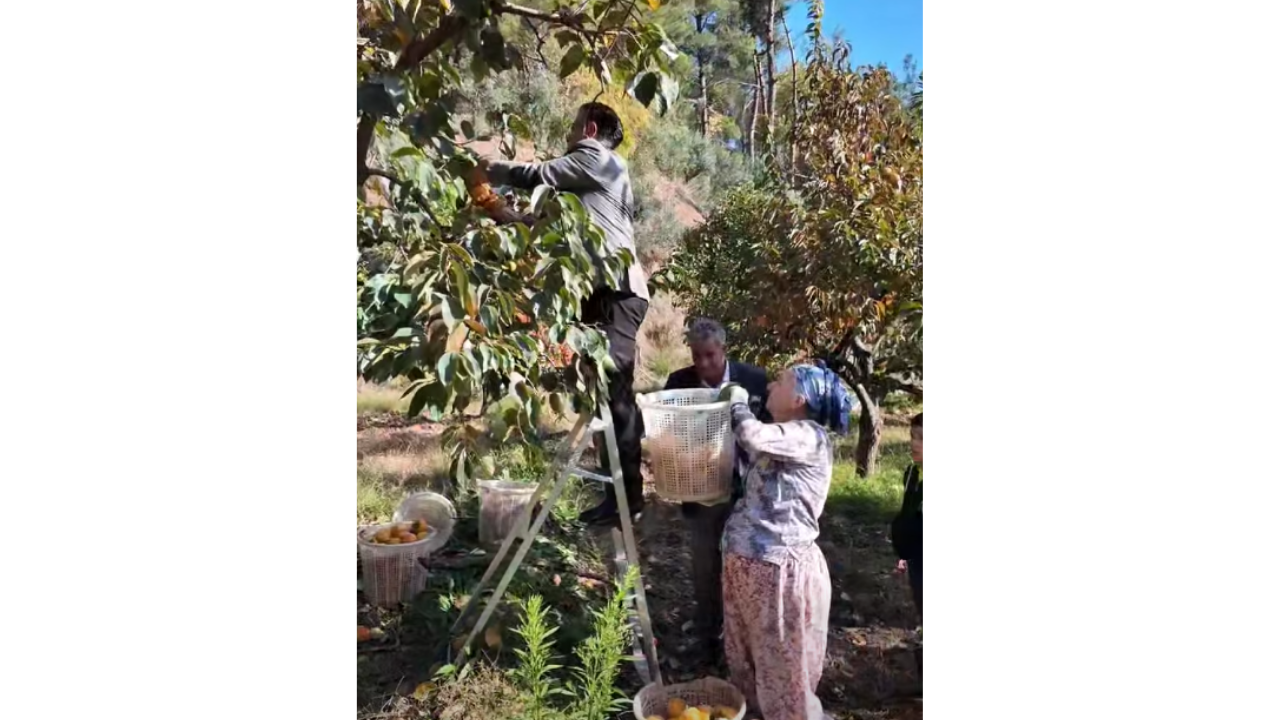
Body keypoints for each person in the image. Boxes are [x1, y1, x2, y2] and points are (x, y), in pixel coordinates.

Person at [481, 102, 649, 526]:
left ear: (590, 129)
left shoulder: (597, 158)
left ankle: (628, 500)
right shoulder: (585, 188)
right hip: (600, 293)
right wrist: (502, 215)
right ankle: (616, 496)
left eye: (574, 127)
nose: (569, 135)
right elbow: (537, 222)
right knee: (602, 396)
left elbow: (538, 174)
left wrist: (485, 169)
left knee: (616, 394)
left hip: (616, 291)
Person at [717, 363, 855, 720]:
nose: (772, 383)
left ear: (799, 398)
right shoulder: (785, 435)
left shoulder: (809, 436)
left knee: (782, 674)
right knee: (747, 663)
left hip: (777, 575)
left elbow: (750, 435)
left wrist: (736, 401)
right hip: (751, 569)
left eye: (782, 380)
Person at [662, 317, 770, 664]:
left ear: (723, 349)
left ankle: (743, 642)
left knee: (744, 565)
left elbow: (770, 432)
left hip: (748, 494)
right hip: (702, 490)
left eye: (710, 355)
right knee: (705, 567)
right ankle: (709, 640)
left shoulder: (753, 380)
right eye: (697, 356)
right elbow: (669, 432)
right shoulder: (679, 383)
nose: (704, 363)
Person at [892, 413, 923, 618]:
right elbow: (907, 511)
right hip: (916, 556)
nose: (914, 443)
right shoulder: (912, 473)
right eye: (912, 436)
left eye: (921, 437)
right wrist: (903, 553)